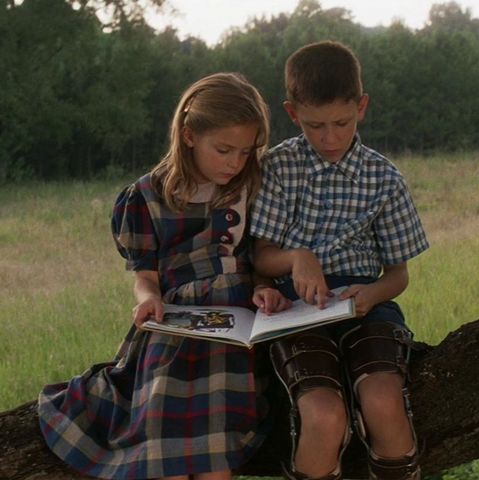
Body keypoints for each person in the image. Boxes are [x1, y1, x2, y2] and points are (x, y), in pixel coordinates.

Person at [38, 72, 290, 480]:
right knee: (158, 435)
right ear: (189, 135)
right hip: (174, 320)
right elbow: (145, 276)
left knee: (216, 452)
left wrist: (263, 289)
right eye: (224, 149)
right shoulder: (147, 196)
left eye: (245, 152)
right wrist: (147, 300)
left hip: (235, 322)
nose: (235, 162)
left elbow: (259, 260)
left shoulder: (251, 187)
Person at [250, 41, 429, 480]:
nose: (329, 138)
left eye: (341, 123)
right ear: (292, 114)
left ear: (362, 107)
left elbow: (398, 275)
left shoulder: (384, 179)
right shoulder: (277, 168)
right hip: (297, 312)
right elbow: (261, 259)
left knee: (384, 402)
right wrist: (298, 259)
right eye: (314, 126)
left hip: (367, 304)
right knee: (325, 416)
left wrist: (370, 294)